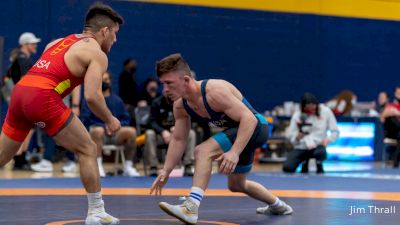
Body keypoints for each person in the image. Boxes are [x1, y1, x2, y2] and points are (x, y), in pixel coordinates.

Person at [0, 3, 123, 225]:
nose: (115, 40)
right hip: (42, 96)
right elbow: (93, 97)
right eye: (115, 34)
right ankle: (96, 212)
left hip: (20, 93)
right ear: (105, 31)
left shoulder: (56, 42)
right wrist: (110, 119)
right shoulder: (96, 53)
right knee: (87, 148)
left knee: (1, 157)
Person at [150, 53, 292, 224]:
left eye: (169, 83)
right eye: (162, 84)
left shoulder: (214, 91)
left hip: (256, 127)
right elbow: (179, 139)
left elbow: (249, 119)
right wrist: (166, 170)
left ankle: (191, 207)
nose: (164, 90)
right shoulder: (180, 106)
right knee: (237, 185)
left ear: (186, 80)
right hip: (240, 134)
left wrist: (234, 152)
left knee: (203, 151)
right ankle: (278, 205)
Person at [81, 71, 140, 177]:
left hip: (116, 134)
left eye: (106, 79)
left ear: (110, 82)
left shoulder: (117, 100)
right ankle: (98, 166)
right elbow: (85, 120)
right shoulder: (90, 100)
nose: (104, 81)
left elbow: (126, 119)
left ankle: (128, 166)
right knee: (97, 131)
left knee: (131, 131)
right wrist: (104, 126)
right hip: (97, 135)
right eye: (101, 79)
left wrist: (115, 127)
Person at [283, 93, 339, 174]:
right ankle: (304, 162)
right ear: (303, 107)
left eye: (313, 108)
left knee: (320, 153)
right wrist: (297, 137)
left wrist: (327, 140)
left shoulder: (326, 111)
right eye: (308, 108)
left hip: (318, 146)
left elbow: (335, 131)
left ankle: (318, 164)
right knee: (287, 168)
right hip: (302, 147)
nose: (311, 110)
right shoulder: (297, 115)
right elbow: (290, 135)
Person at [145, 93, 195, 176]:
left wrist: (179, 127)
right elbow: (151, 122)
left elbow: (190, 119)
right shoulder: (156, 103)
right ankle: (153, 166)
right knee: (149, 134)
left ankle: (188, 165)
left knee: (191, 133)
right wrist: (162, 131)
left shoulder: (182, 102)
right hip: (161, 136)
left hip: (178, 133)